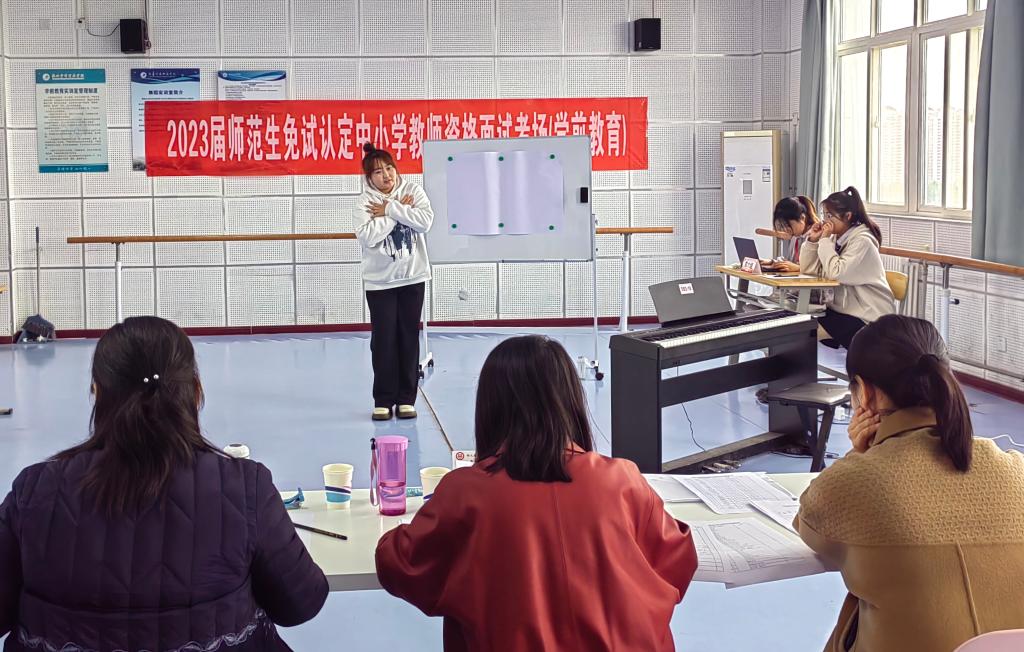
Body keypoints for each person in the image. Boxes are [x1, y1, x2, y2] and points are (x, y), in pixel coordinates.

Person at [0, 317, 328, 652]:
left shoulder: (34, 490)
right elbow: (301, 603)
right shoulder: (244, 488)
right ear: (196, 392)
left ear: (97, 392)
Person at [375, 335, 698, 651]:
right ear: (571, 400)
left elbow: (403, 565)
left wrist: (391, 536)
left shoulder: (465, 491)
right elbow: (676, 560)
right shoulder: (621, 478)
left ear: (490, 406)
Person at [794, 315, 1024, 652]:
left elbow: (808, 528)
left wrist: (862, 454)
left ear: (865, 393)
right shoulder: (1015, 470)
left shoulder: (851, 483)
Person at [354, 142, 434, 421]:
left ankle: (406, 399)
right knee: (384, 340)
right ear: (369, 178)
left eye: (389, 168)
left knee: (408, 337)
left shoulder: (413, 191)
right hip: (380, 283)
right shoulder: (364, 202)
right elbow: (368, 237)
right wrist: (397, 211)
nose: (386, 175)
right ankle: (384, 400)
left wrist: (389, 208)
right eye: (378, 172)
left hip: (413, 277)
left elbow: (425, 222)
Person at [801, 186, 895, 348]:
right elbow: (811, 273)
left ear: (848, 216)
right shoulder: (835, 239)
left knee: (802, 331)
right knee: (799, 319)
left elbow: (837, 273)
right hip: (845, 311)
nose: (825, 221)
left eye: (830, 216)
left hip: (869, 318)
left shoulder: (863, 242)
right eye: (824, 215)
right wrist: (812, 242)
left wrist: (824, 241)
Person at [772, 195, 821, 273]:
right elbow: (791, 263)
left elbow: (819, 270)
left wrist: (798, 268)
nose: (785, 230)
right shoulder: (795, 237)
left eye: (788, 226)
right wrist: (772, 263)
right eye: (782, 226)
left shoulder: (817, 236)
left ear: (802, 218)